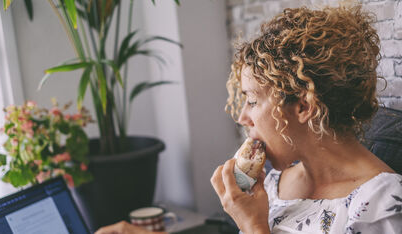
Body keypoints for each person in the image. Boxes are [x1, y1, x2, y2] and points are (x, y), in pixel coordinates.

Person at [95, 4, 402, 234]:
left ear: (304, 107)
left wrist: (253, 226)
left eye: (253, 100)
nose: (243, 117)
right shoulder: (274, 183)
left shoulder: (382, 209)